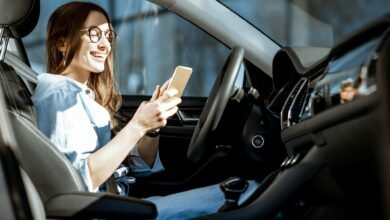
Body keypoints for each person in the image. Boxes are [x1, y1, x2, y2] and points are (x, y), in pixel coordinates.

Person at [32, 2, 258, 219]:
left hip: (123, 204)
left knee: (241, 191)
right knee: (246, 193)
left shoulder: (83, 96)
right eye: (94, 34)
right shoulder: (60, 94)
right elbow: (74, 183)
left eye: (109, 36)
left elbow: (139, 169)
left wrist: (151, 129)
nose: (105, 44)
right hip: (108, 211)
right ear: (62, 43)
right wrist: (138, 125)